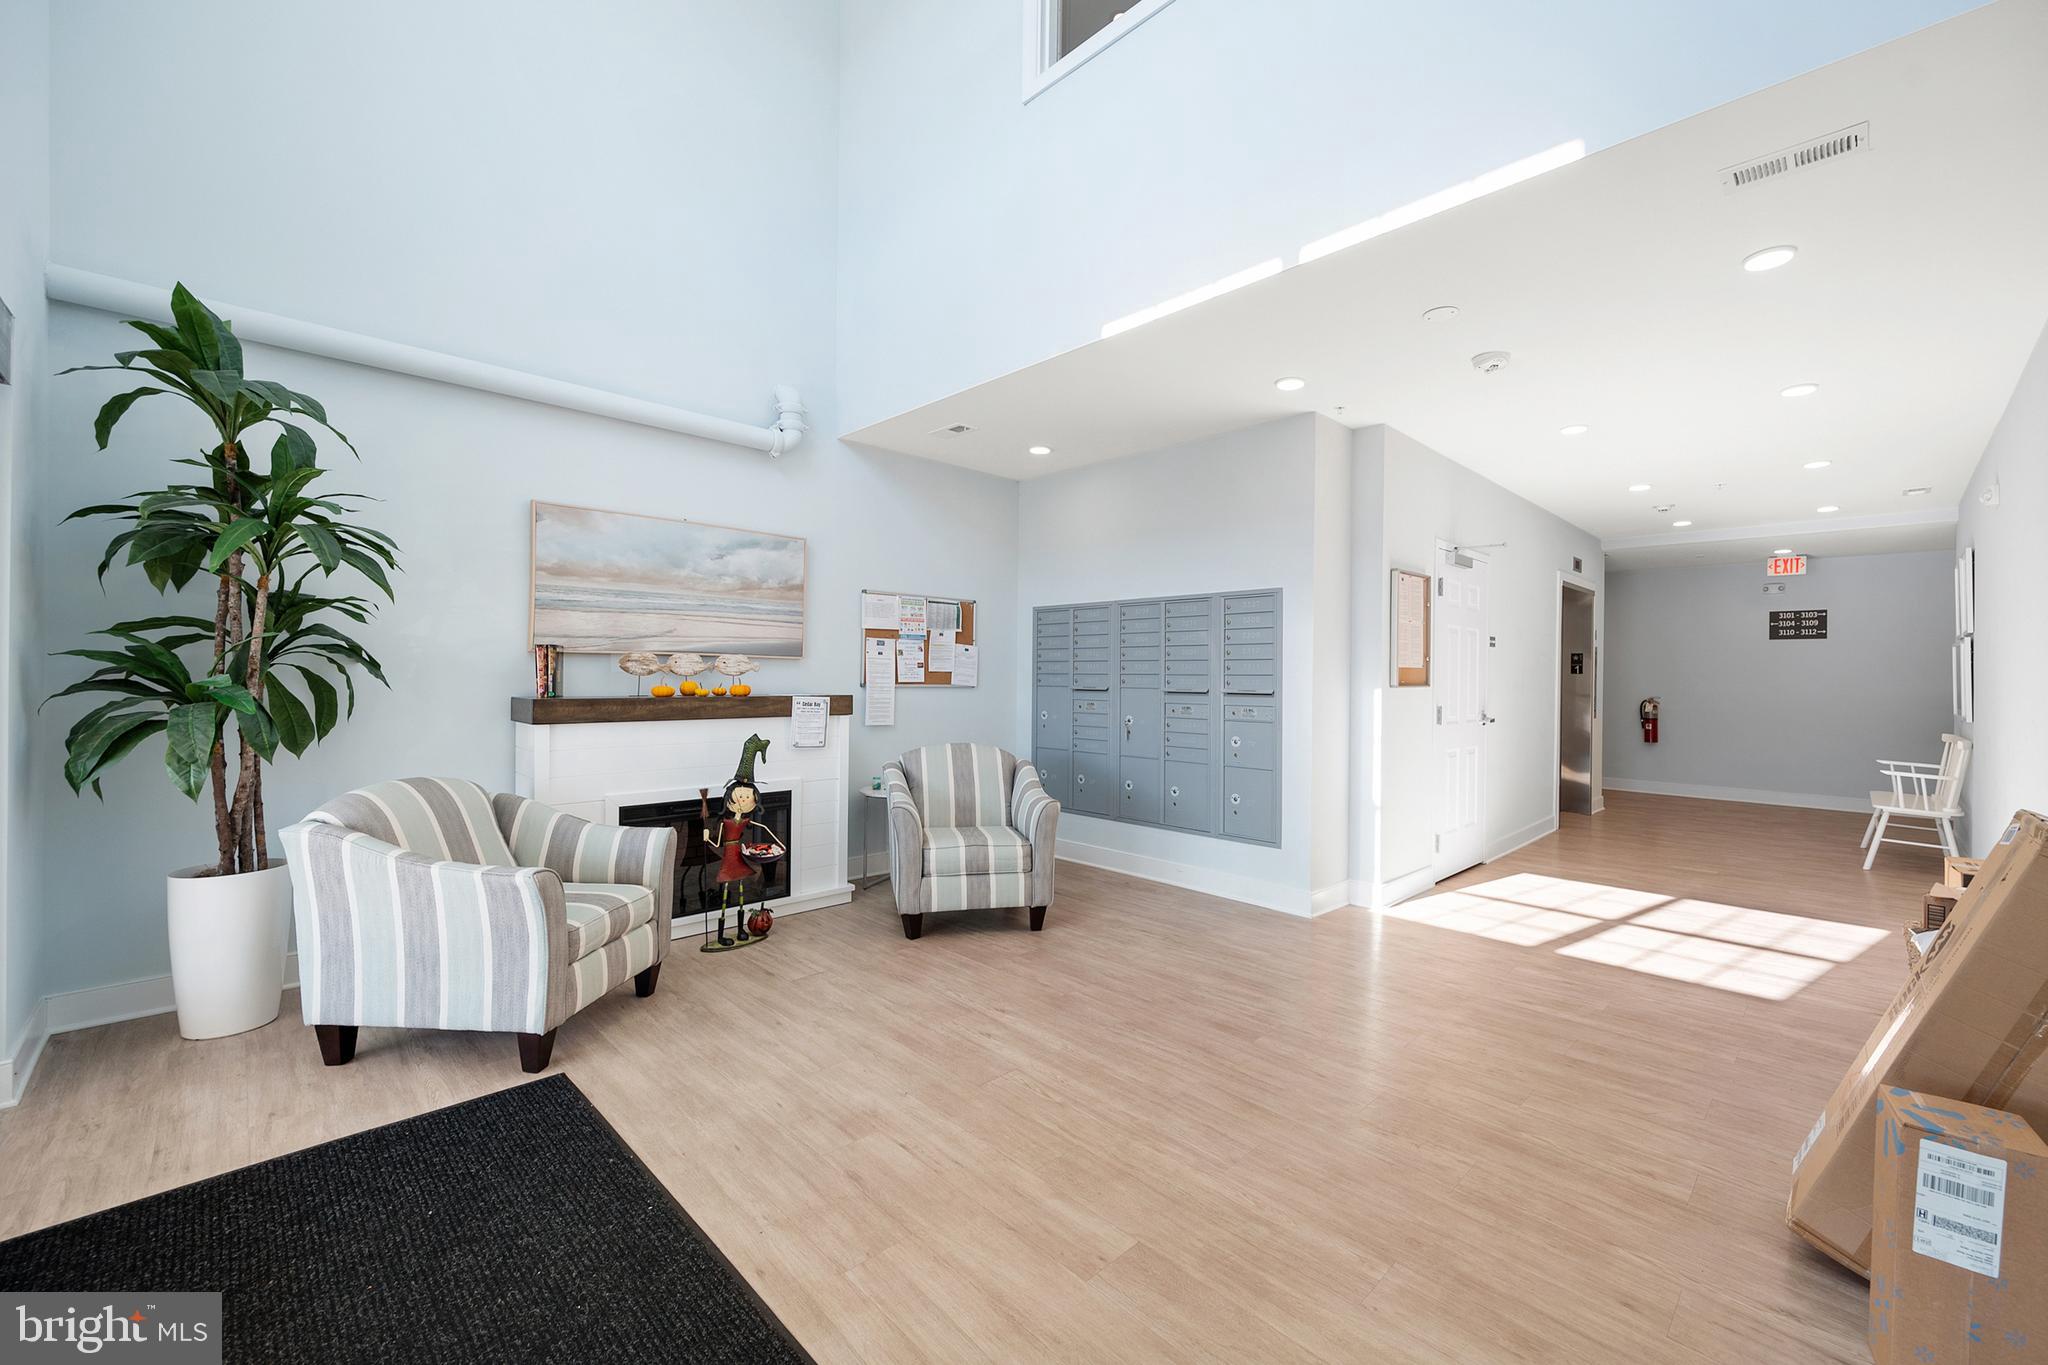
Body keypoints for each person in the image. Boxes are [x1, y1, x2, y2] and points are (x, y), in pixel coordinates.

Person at [702, 734, 785, 949]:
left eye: (748, 798)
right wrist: (707, 838)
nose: (743, 801)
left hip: (740, 856)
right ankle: (721, 934)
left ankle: (740, 929)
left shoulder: (746, 820)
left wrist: (777, 843)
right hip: (729, 858)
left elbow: (762, 828)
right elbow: (719, 841)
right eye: (739, 797)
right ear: (730, 798)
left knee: (740, 894)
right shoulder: (727, 823)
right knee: (725, 896)